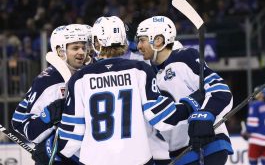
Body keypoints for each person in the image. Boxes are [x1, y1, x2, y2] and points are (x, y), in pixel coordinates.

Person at [55, 16, 204, 165]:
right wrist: (191, 103)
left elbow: (69, 141)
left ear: (96, 42)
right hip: (137, 159)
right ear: (123, 40)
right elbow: (162, 119)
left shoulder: (80, 79)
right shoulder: (140, 70)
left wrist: (51, 144)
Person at [136, 16, 233, 164]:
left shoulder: (184, 57)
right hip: (179, 153)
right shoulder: (149, 73)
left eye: (142, 40)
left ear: (158, 40)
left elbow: (220, 89)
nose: (139, 46)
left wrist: (206, 114)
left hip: (209, 142)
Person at [11, 24, 90, 164]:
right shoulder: (49, 81)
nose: (82, 52)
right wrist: (47, 116)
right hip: (55, 155)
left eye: (84, 47)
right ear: (60, 51)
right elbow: (26, 128)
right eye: (75, 48)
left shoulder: (80, 74)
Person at [242, 86, 265, 165]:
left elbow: (252, 124)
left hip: (256, 140)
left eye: (258, 92)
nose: (256, 93)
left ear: (263, 94)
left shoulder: (255, 105)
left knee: (253, 161)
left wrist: (246, 132)